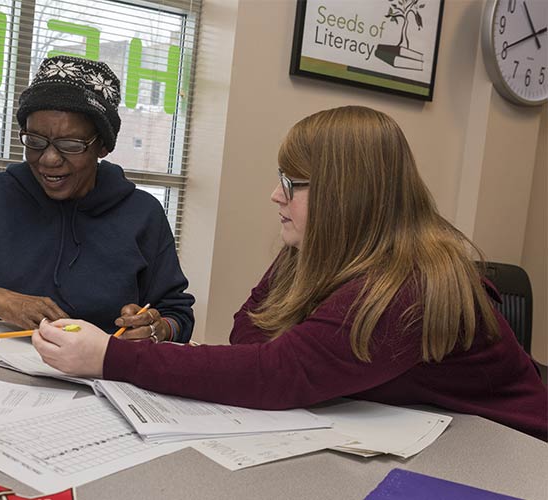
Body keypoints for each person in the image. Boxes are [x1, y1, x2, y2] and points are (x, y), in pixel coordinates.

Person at [33, 106, 548, 441]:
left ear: (345, 195)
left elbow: (275, 374)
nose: (276, 196)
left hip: (506, 454)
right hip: (417, 429)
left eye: (292, 184)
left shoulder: (412, 285)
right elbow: (247, 337)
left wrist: (111, 356)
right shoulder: (324, 246)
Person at [0, 55, 194, 342]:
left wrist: (156, 328)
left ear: (103, 147)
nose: (48, 160)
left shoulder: (141, 214)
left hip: (98, 384)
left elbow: (176, 313)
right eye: (35, 141)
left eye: (70, 145)